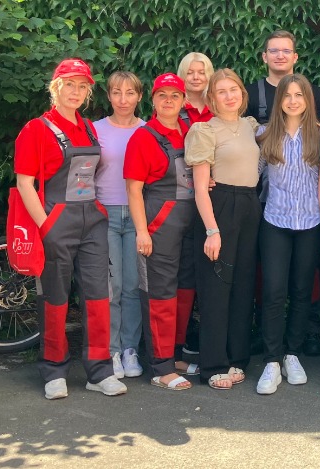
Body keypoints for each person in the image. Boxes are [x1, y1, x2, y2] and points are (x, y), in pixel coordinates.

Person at [14, 58, 127, 399]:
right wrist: (45, 225)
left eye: (82, 86)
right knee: (55, 298)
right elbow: (24, 183)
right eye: (69, 85)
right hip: (56, 221)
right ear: (56, 87)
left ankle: (99, 371)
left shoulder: (88, 128)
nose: (76, 92)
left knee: (98, 297)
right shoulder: (36, 129)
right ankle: (53, 370)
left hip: (92, 222)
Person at [184, 68, 262, 390]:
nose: (229, 96)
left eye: (234, 90)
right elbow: (200, 188)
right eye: (222, 91)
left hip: (250, 205)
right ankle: (213, 364)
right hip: (220, 206)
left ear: (242, 94)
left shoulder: (250, 126)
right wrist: (211, 231)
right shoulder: (204, 130)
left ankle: (236, 358)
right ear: (212, 98)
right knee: (216, 285)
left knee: (243, 285)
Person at [253, 73, 320, 395]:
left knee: (301, 290)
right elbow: (250, 173)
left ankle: (292, 354)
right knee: (273, 291)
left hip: (311, 222)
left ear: (307, 100)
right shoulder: (264, 135)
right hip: (275, 221)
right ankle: (272, 360)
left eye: (299, 95)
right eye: (287, 95)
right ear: (278, 100)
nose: (293, 101)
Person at [123, 72, 195, 391]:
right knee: (160, 292)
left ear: (184, 101)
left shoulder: (190, 132)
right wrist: (142, 231)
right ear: (152, 100)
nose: (168, 100)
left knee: (185, 289)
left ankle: (175, 355)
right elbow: (133, 189)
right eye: (162, 95)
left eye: (175, 95)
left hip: (191, 221)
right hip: (159, 222)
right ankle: (160, 365)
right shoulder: (143, 137)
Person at [93, 71, 145, 380]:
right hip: (106, 214)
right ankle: (111, 350)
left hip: (138, 215)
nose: (123, 99)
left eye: (129, 93)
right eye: (116, 92)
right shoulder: (95, 130)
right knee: (111, 287)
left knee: (133, 286)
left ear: (140, 96)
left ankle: (130, 348)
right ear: (109, 96)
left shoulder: (148, 130)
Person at [174, 51, 215, 376]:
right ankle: (179, 341)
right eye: (191, 72)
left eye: (202, 72)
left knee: (212, 273)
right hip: (181, 200)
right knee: (184, 274)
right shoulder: (173, 108)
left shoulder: (218, 108)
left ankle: (208, 339)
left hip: (216, 200)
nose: (197, 77)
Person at [244, 30, 320, 125]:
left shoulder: (314, 93)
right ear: (265, 57)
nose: (280, 56)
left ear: (295, 57)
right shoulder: (249, 94)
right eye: (274, 51)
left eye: (286, 51)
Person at [177, 52, 215, 125]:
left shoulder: (219, 106)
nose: (195, 77)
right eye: (189, 73)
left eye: (202, 73)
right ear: (182, 75)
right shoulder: (173, 106)